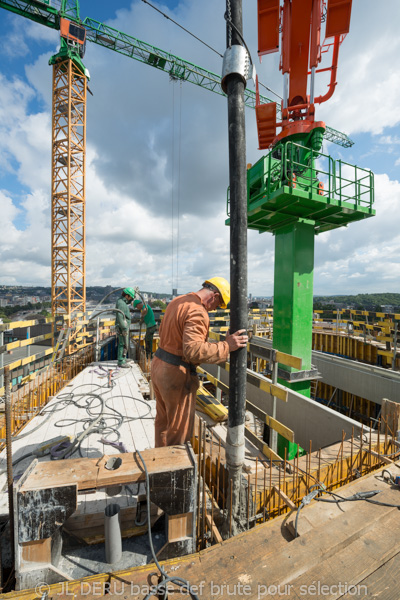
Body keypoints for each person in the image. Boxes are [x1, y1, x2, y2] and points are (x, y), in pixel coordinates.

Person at [151, 277, 248, 447]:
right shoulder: (197, 311)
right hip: (175, 374)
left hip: (159, 365)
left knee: (163, 423)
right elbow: (193, 351)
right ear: (214, 296)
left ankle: (158, 465)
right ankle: (174, 469)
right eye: (217, 305)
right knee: (178, 431)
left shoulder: (178, 301)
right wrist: (227, 346)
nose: (213, 309)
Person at [115, 288, 135, 367]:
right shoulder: (121, 303)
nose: (131, 299)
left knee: (124, 343)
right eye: (131, 298)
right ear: (127, 296)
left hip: (123, 326)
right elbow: (120, 316)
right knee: (123, 343)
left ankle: (123, 358)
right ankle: (121, 361)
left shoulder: (121, 302)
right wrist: (124, 328)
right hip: (123, 327)